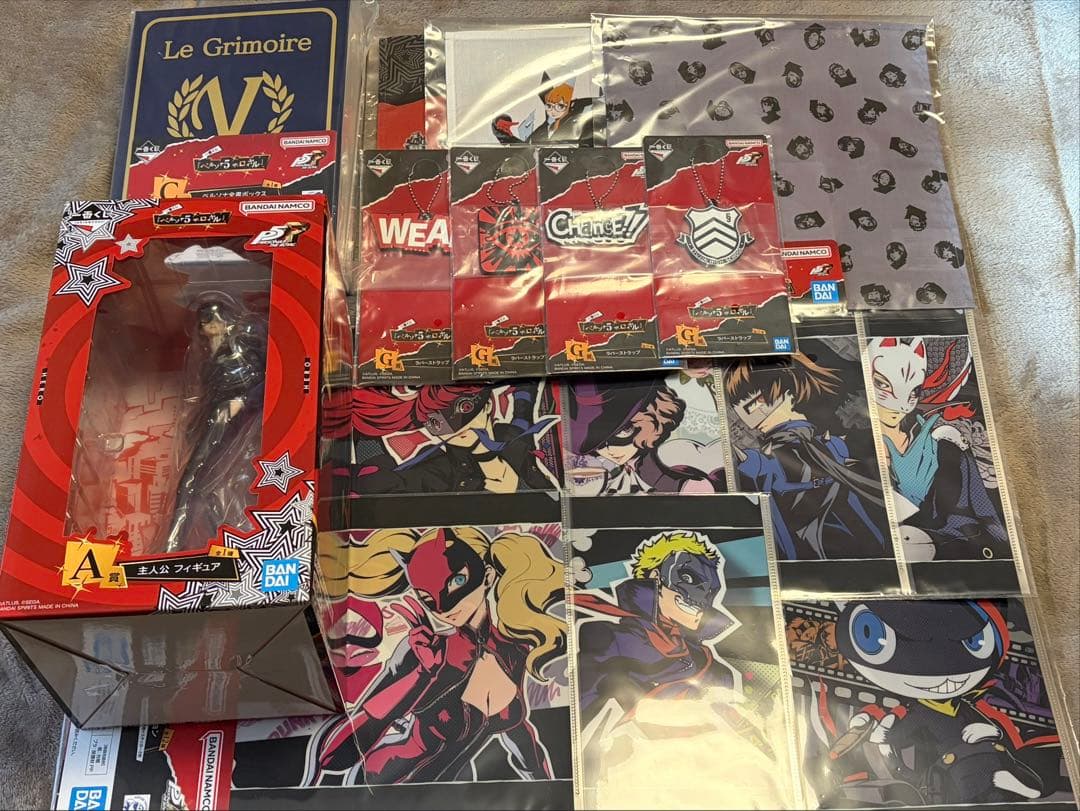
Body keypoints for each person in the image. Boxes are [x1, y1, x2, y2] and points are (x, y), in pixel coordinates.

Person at [312, 526, 566, 784]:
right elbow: (333, 757)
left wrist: (547, 786)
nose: (443, 607)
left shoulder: (514, 652)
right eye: (427, 598)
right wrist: (421, 676)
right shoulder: (425, 650)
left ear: (488, 577)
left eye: (457, 581)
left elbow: (520, 736)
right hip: (385, 786)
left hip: (451, 793)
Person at [724, 353, 889, 560]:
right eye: (738, 404)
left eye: (749, 400)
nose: (742, 410)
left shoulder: (818, 444)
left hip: (847, 547)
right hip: (835, 549)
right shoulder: (819, 444)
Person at [160, 299, 265, 553]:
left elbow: (271, 378)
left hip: (239, 419)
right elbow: (209, 398)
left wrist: (244, 401)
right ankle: (192, 543)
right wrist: (195, 425)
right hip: (218, 419)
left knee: (201, 480)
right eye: (204, 323)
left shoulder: (244, 348)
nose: (207, 327)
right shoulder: (211, 360)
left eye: (211, 320)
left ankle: (179, 544)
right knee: (200, 482)